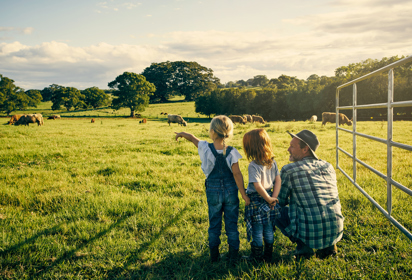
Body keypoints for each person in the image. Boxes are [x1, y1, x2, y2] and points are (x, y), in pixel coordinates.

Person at [175, 115, 250, 263]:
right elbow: (237, 174)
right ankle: (234, 256)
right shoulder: (232, 151)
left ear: (212, 132)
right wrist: (244, 195)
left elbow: (192, 138)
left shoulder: (204, 147)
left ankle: (214, 257)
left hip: (213, 191)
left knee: (214, 223)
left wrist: (182, 134)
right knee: (232, 224)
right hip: (231, 192)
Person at [275, 129, 344, 258]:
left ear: (305, 149)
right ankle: (329, 247)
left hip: (310, 233)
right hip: (336, 230)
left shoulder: (289, 170)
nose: (288, 149)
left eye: (292, 146)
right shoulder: (328, 166)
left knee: (273, 208)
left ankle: (304, 247)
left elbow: (280, 200)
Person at [242, 129, 281, 263]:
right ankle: (268, 255)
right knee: (269, 228)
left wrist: (269, 199)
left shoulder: (253, 165)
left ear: (251, 148)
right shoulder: (273, 162)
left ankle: (257, 257)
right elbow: (278, 180)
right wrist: (273, 198)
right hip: (270, 197)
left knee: (257, 229)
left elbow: (257, 186)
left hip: (257, 200)